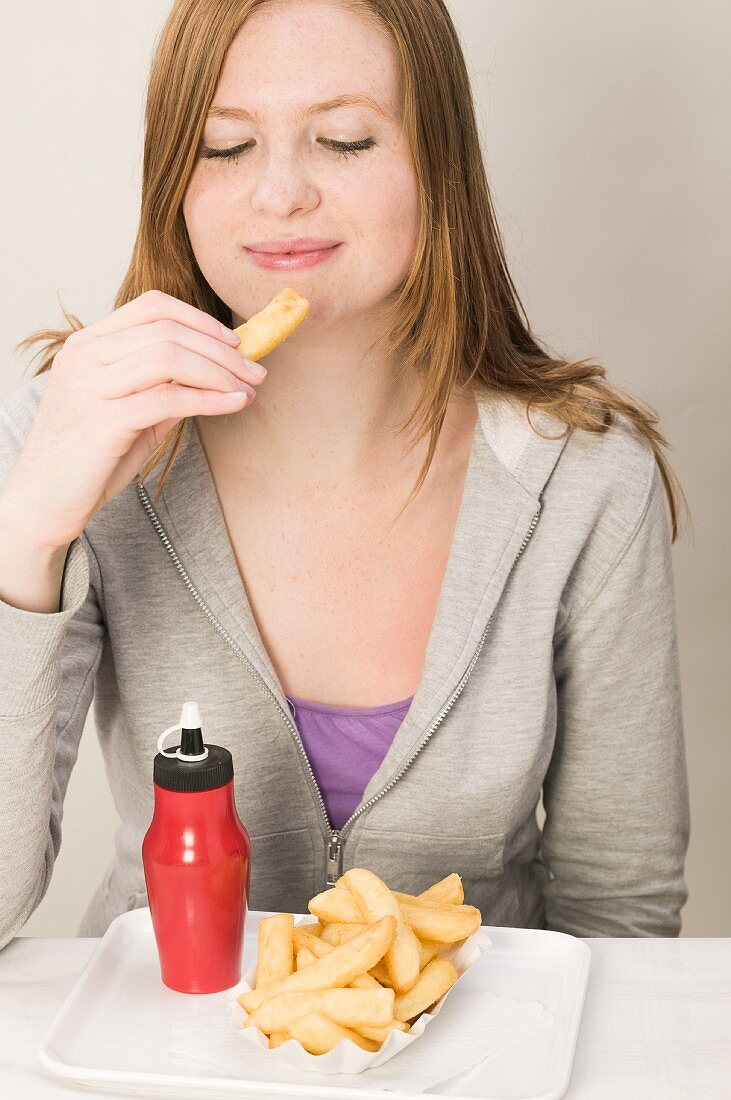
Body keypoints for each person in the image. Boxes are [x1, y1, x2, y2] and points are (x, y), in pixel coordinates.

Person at [0, 0, 690, 948]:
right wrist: (29, 533)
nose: (279, 194)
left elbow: (622, 915)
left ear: (437, 165)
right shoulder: (69, 436)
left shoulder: (585, 478)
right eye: (224, 147)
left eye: (345, 139)